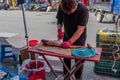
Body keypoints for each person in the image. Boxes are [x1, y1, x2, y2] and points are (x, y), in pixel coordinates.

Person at [56, 0, 89, 80]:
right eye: (66, 12)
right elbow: (59, 20)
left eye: (70, 12)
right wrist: (59, 29)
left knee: (78, 60)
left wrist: (70, 42)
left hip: (79, 38)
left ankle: (78, 77)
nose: (68, 14)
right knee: (66, 58)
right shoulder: (62, 6)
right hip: (66, 36)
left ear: (75, 6)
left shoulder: (83, 10)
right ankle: (66, 76)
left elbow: (80, 29)